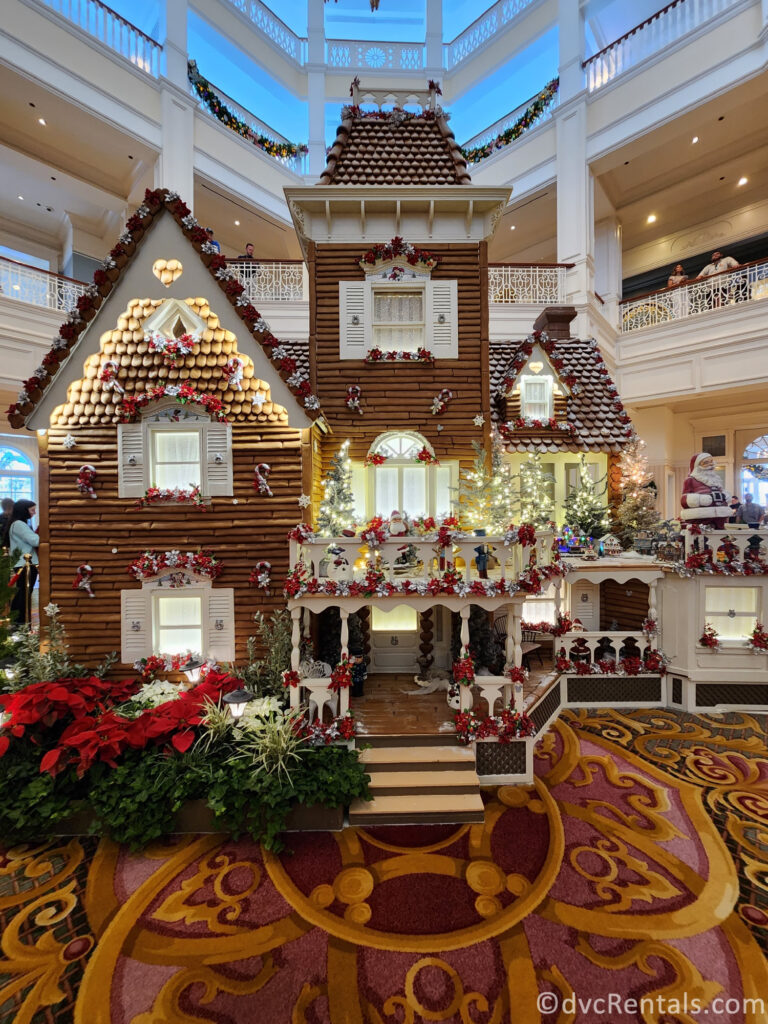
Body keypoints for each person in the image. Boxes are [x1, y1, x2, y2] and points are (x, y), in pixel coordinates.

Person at [7, 499, 39, 624]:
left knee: (22, 594)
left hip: (23, 563)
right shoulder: (19, 524)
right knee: (24, 595)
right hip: (25, 564)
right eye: (32, 510)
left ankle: (19, 621)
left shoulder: (18, 523)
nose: (34, 513)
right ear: (24, 510)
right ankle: (21, 623)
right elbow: (35, 540)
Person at [679, 452, 732, 527]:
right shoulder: (690, 480)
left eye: (711, 462)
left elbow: (720, 490)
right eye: (706, 462)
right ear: (698, 466)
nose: (710, 464)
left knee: (719, 534)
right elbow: (684, 500)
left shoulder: (716, 480)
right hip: (700, 518)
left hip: (720, 516)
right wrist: (700, 499)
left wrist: (725, 495)